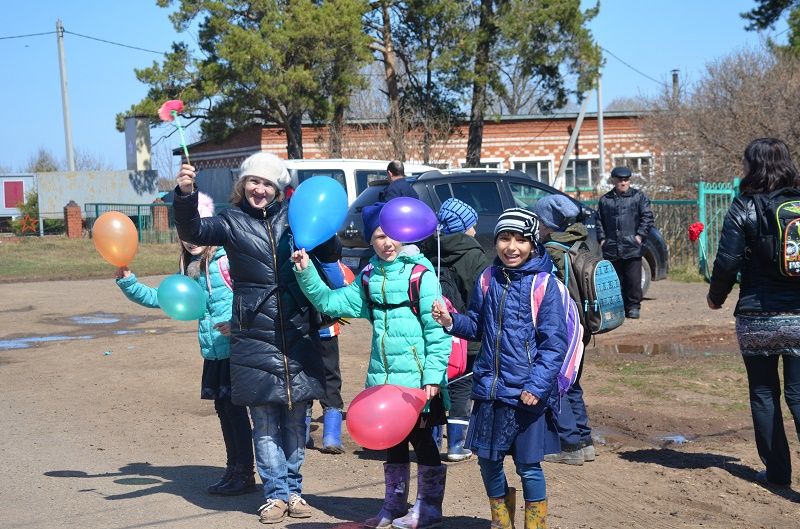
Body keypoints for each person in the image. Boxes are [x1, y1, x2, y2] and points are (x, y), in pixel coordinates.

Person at [173, 153, 338, 524]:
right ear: (242, 185)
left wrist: (327, 235)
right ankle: (275, 495)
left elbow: (330, 252)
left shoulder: (295, 218)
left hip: (297, 329)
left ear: (278, 189)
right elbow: (194, 232)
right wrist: (185, 194)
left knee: (297, 420)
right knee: (264, 421)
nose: (260, 189)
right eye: (253, 182)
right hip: (253, 333)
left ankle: (295, 491)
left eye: (268, 184)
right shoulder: (231, 221)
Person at [291, 202, 451, 529]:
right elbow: (330, 302)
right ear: (370, 240)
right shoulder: (368, 276)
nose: (386, 242)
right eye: (378, 236)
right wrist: (306, 270)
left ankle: (429, 511)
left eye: (392, 234)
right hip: (382, 379)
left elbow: (438, 331)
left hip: (419, 382)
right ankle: (392, 508)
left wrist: (433, 376)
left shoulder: (421, 275)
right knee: (392, 443)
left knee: (422, 442)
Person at [432, 208, 568, 529]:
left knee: (528, 466)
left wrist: (536, 386)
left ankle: (535, 525)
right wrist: (451, 321)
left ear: (533, 244)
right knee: (488, 463)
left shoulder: (545, 285)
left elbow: (554, 344)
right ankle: (502, 523)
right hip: (490, 391)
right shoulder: (487, 278)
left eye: (520, 240)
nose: (511, 246)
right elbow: (477, 325)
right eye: (504, 238)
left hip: (526, 394)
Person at [114, 192, 255, 496]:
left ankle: (245, 472)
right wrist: (129, 282)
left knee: (236, 411)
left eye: (197, 232)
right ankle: (234, 469)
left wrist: (238, 325)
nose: (191, 241)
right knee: (224, 410)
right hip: (213, 351)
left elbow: (252, 295)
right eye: (186, 236)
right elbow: (161, 298)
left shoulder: (227, 261)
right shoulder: (190, 270)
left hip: (235, 349)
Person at [707, 137, 800, 488]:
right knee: (799, 393)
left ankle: (777, 473)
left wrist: (716, 297)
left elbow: (727, 262)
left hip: (758, 315)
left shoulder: (743, 207)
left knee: (764, 393)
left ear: (753, 166)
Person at [423, 198, 491, 461]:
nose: (474, 230)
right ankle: (456, 446)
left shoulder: (430, 252)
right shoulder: (475, 256)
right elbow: (484, 295)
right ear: (463, 227)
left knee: (436, 385)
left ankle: (430, 442)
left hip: (433, 332)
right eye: (471, 225)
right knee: (462, 385)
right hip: (465, 333)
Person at [534, 194, 595, 466]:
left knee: (558, 384)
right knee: (574, 384)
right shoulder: (581, 243)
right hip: (583, 324)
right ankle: (585, 441)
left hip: (563, 327)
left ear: (547, 223)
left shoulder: (551, 251)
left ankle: (570, 445)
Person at [595, 166, 654, 319]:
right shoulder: (605, 200)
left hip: (632, 246)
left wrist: (639, 236)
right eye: (620, 180)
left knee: (633, 280)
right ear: (614, 180)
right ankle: (618, 307)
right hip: (612, 247)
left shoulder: (638, 197)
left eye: (626, 180)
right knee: (615, 280)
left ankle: (634, 306)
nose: (623, 182)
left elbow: (647, 217)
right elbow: (599, 221)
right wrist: (602, 239)